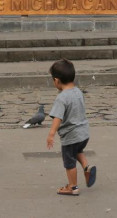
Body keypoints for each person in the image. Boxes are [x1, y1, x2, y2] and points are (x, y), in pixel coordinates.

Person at [46, 59, 96, 196]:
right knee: (78, 151)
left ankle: (73, 187)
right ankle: (87, 167)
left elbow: (58, 117)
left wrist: (51, 134)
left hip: (71, 136)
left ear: (56, 81)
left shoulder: (62, 98)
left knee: (69, 162)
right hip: (84, 134)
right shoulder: (78, 92)